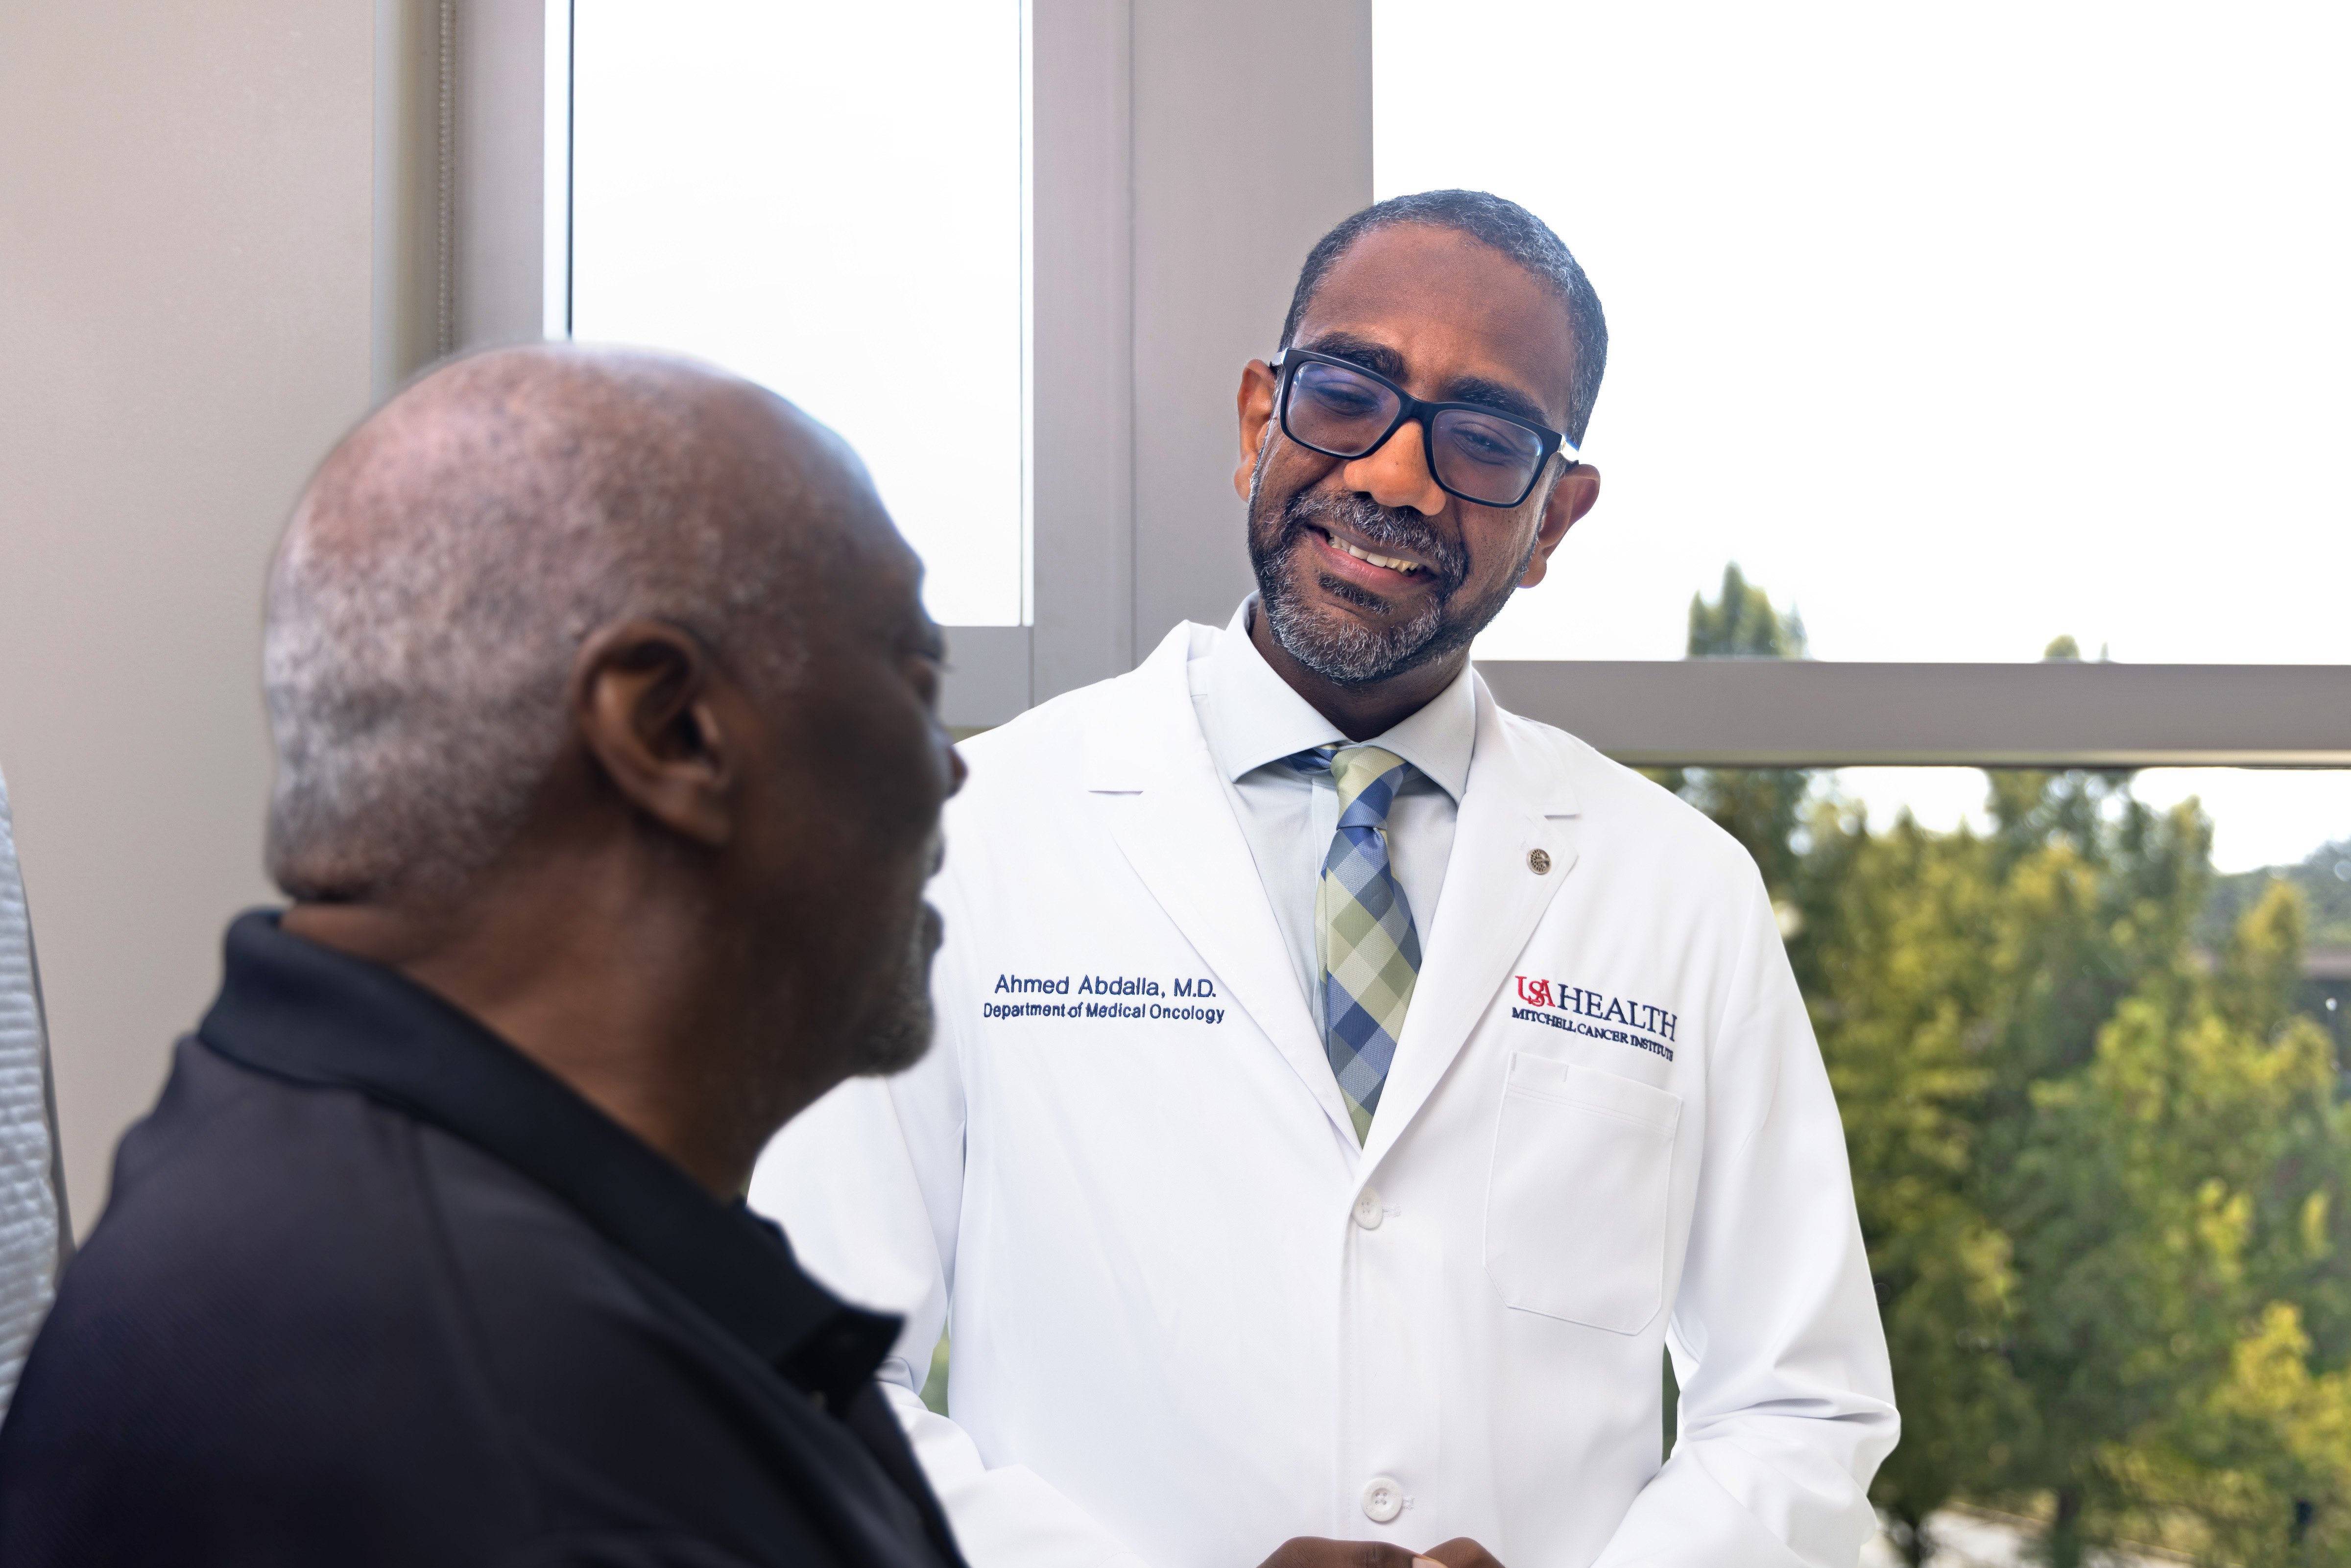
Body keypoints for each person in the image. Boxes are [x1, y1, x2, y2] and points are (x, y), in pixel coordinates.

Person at [756, 190, 1899, 1568]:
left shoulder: (1680, 893)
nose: (1399, 478)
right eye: (1349, 394)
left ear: (1555, 519)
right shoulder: (972, 836)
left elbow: (1799, 1406)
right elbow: (809, 1379)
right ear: (1260, 421)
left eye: (1485, 439)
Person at [0, 347, 970, 1568]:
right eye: (914, 677)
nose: (950, 766)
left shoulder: (313, 1178)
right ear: (670, 728)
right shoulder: (539, 1462)